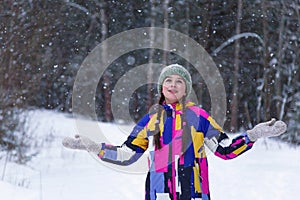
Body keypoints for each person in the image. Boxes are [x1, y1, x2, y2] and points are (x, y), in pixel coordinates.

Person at [62, 64, 287, 200]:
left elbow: (224, 150)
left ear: (186, 88)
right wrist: (95, 147)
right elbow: (128, 154)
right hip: (160, 193)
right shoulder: (153, 118)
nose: (173, 84)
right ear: (162, 87)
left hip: (194, 192)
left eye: (179, 81)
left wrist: (253, 135)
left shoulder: (200, 117)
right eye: (168, 80)